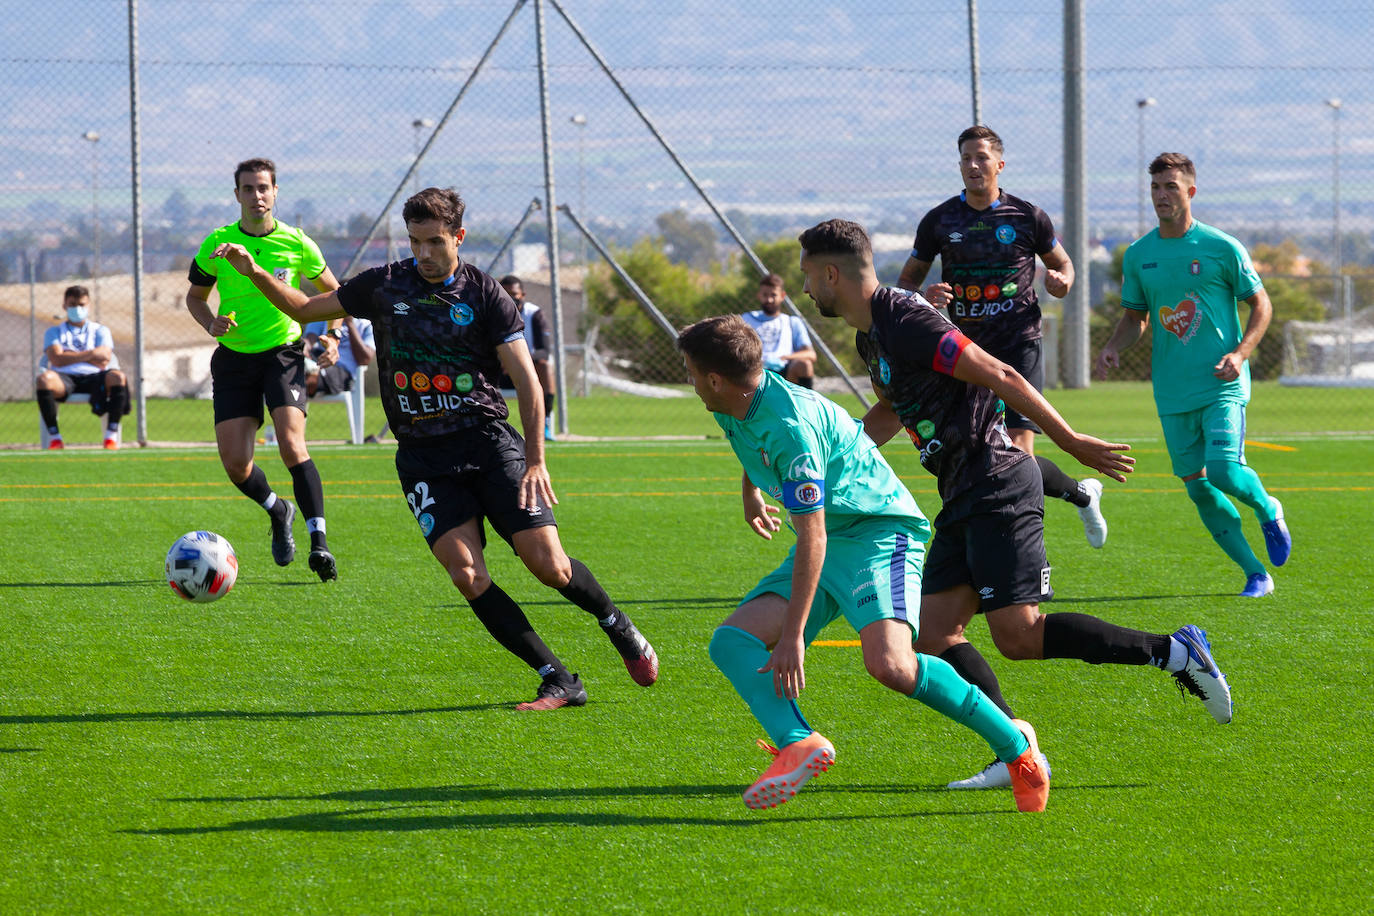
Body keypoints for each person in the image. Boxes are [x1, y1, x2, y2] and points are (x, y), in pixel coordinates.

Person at [799, 218, 1234, 791]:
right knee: (934, 634)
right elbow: (892, 411)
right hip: (961, 491)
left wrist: (1069, 440)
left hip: (997, 480)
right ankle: (1017, 752)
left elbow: (999, 371)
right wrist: (832, 459)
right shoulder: (871, 336)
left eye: (809, 276)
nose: (806, 288)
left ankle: (1175, 652)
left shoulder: (903, 318)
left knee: (1020, 635)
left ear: (832, 274)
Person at [211, 187, 658, 709]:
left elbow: (528, 383)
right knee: (466, 574)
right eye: (414, 241)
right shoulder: (385, 284)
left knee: (549, 567)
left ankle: (616, 623)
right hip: (423, 457)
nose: (422, 253)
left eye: (434, 242)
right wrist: (253, 271)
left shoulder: (485, 294)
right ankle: (558, 677)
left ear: (458, 237)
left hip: (488, 444)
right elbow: (305, 306)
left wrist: (537, 460)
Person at [676, 314, 1049, 813]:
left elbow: (813, 535)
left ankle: (1018, 749)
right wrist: (751, 492)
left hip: (879, 532)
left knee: (892, 665)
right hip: (833, 536)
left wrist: (793, 636)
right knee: (732, 641)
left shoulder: (791, 429)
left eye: (691, 373)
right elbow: (750, 441)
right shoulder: (734, 400)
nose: (690, 382)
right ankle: (798, 742)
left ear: (715, 379)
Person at [897, 126, 1107, 548]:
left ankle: (1024, 552)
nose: (973, 165)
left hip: (1018, 344)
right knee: (976, 455)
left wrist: (1061, 280)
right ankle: (1081, 494)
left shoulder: (1026, 216)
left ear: (1000, 164)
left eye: (981, 157)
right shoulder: (940, 220)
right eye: (966, 158)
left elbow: (1064, 265)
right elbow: (905, 286)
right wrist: (925, 297)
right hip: (966, 353)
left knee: (1019, 453)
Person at [1096, 152, 1291, 598]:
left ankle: (1267, 507)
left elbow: (1261, 304)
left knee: (1223, 471)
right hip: (1171, 391)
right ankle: (1256, 574)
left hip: (1222, 383)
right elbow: (1135, 318)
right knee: (1198, 488)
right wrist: (1112, 347)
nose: (1161, 195)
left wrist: (1241, 354)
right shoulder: (1139, 255)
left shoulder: (1221, 247)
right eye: (1155, 187)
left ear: (1191, 191)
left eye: (1171, 186)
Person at [185, 157, 341, 582]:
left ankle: (320, 543)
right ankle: (277, 509)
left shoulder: (297, 242)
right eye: (249, 188)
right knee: (237, 465)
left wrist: (332, 336)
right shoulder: (218, 243)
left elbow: (335, 293)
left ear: (275, 192)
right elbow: (195, 297)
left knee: (292, 444)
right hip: (234, 359)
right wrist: (210, 323)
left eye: (264, 188)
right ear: (237, 194)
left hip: (282, 354)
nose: (257, 195)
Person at [36, 285, 129, 450]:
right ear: (64, 306)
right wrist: (92, 354)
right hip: (64, 378)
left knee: (118, 377)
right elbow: (56, 359)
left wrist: (69, 354)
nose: (77, 309)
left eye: (81, 304)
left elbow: (104, 359)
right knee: (43, 380)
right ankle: (54, 438)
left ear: (89, 306)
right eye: (72, 304)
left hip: (96, 377)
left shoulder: (100, 330)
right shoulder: (54, 332)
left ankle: (111, 436)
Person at [497, 275, 556, 441]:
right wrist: (503, 361)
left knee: (545, 366)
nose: (511, 299)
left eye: (514, 294)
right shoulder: (491, 314)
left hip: (526, 373)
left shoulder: (534, 314)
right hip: (498, 372)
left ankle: (544, 423)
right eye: (505, 294)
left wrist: (516, 361)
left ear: (522, 295)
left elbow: (544, 351)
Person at [740, 273, 816, 388]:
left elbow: (810, 354)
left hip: (785, 371)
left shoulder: (791, 322)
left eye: (773, 295)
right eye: (765, 295)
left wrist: (783, 358)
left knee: (805, 364)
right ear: (759, 296)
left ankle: (806, 399)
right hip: (755, 371)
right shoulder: (746, 320)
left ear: (782, 296)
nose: (769, 299)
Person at [303, 315, 375, 398]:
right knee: (296, 362)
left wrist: (350, 323)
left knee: (306, 378)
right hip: (319, 358)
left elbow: (364, 360)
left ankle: (294, 394)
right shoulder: (323, 314)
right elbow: (309, 341)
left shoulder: (367, 324)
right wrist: (303, 348)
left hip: (343, 371)